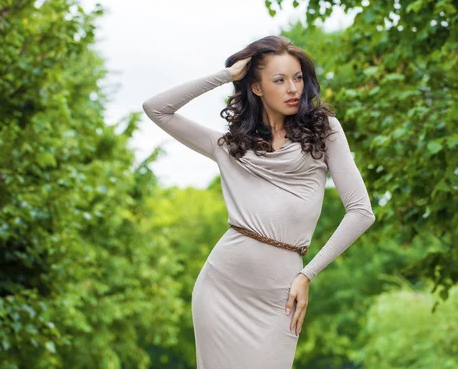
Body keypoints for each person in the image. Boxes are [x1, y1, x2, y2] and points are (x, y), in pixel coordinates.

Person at [141, 35, 375, 369]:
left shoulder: (324, 132)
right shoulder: (230, 146)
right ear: (256, 88)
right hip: (220, 288)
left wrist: (308, 274)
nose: (293, 88)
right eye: (279, 80)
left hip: (281, 293)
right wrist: (225, 76)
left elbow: (362, 212)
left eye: (298, 78)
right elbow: (156, 108)